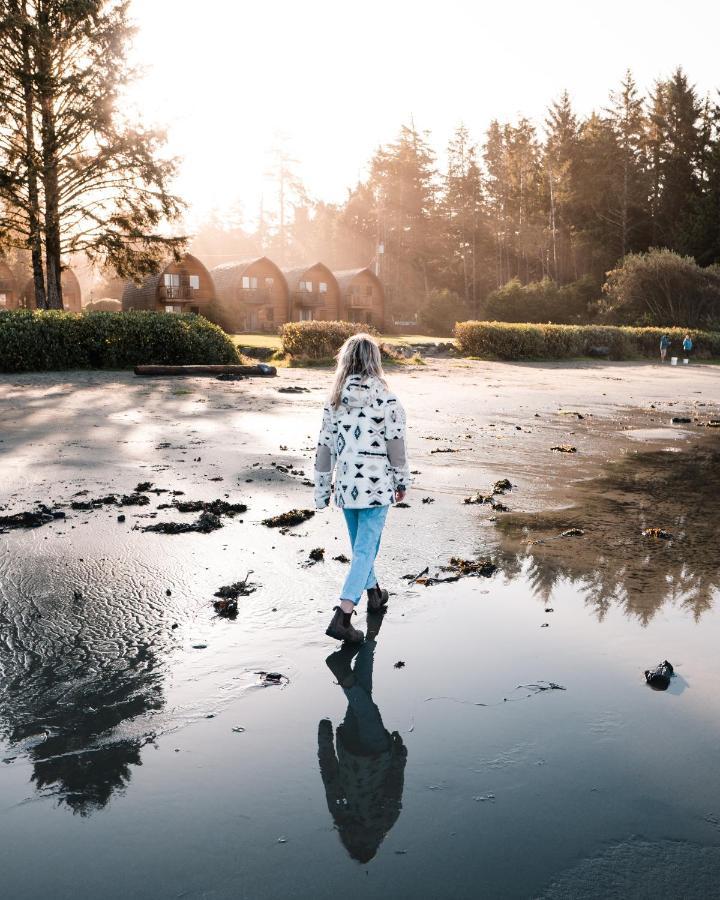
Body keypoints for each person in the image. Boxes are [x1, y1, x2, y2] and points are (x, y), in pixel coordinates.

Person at [314, 333, 411, 643]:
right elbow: (396, 447)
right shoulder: (388, 399)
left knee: (361, 550)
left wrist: (321, 489)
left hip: (346, 487)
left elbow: (324, 448)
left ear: (345, 361)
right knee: (365, 550)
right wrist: (401, 481)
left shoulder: (335, 400)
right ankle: (343, 614)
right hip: (377, 486)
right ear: (375, 360)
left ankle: (375, 595)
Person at [318, 612, 407, 862]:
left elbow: (394, 786)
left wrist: (400, 755)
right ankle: (369, 640)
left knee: (365, 707)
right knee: (363, 696)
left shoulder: (383, 821)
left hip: (377, 754)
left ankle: (344, 674)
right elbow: (329, 777)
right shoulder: (341, 816)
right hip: (348, 747)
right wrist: (324, 738)